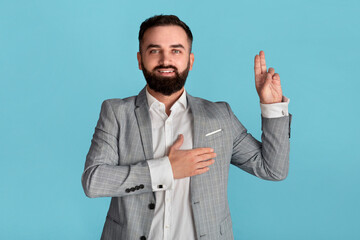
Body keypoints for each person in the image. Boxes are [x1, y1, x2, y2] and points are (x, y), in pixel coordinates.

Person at [82, 15, 291, 240]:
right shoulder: (116, 112)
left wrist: (272, 107)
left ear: (190, 61)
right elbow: (94, 181)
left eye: (176, 51)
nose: (165, 60)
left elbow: (273, 169)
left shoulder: (220, 116)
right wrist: (166, 170)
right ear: (140, 60)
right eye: (154, 50)